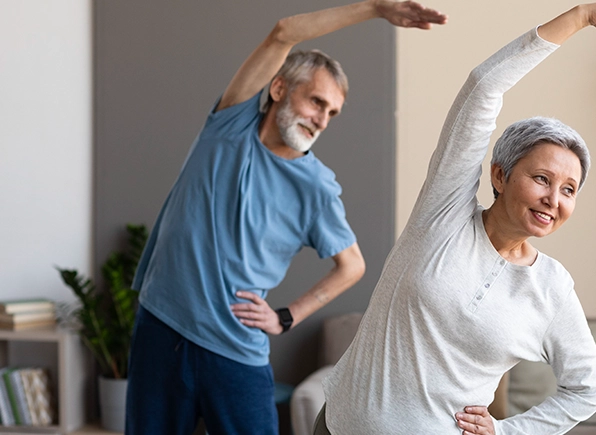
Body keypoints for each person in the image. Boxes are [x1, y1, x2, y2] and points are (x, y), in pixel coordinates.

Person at [318, 2, 596, 434]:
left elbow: (588, 388)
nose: (552, 199)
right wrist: (580, 17)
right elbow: (483, 87)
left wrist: (507, 431)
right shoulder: (443, 215)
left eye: (568, 189)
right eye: (541, 178)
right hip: (339, 426)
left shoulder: (551, 288)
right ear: (500, 176)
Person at [125, 2, 447, 434]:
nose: (322, 120)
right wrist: (375, 8)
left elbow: (353, 265)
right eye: (317, 102)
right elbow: (283, 32)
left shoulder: (317, 188)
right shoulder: (230, 123)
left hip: (234, 351)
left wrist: (287, 316)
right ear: (278, 88)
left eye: (332, 113)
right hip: (161, 330)